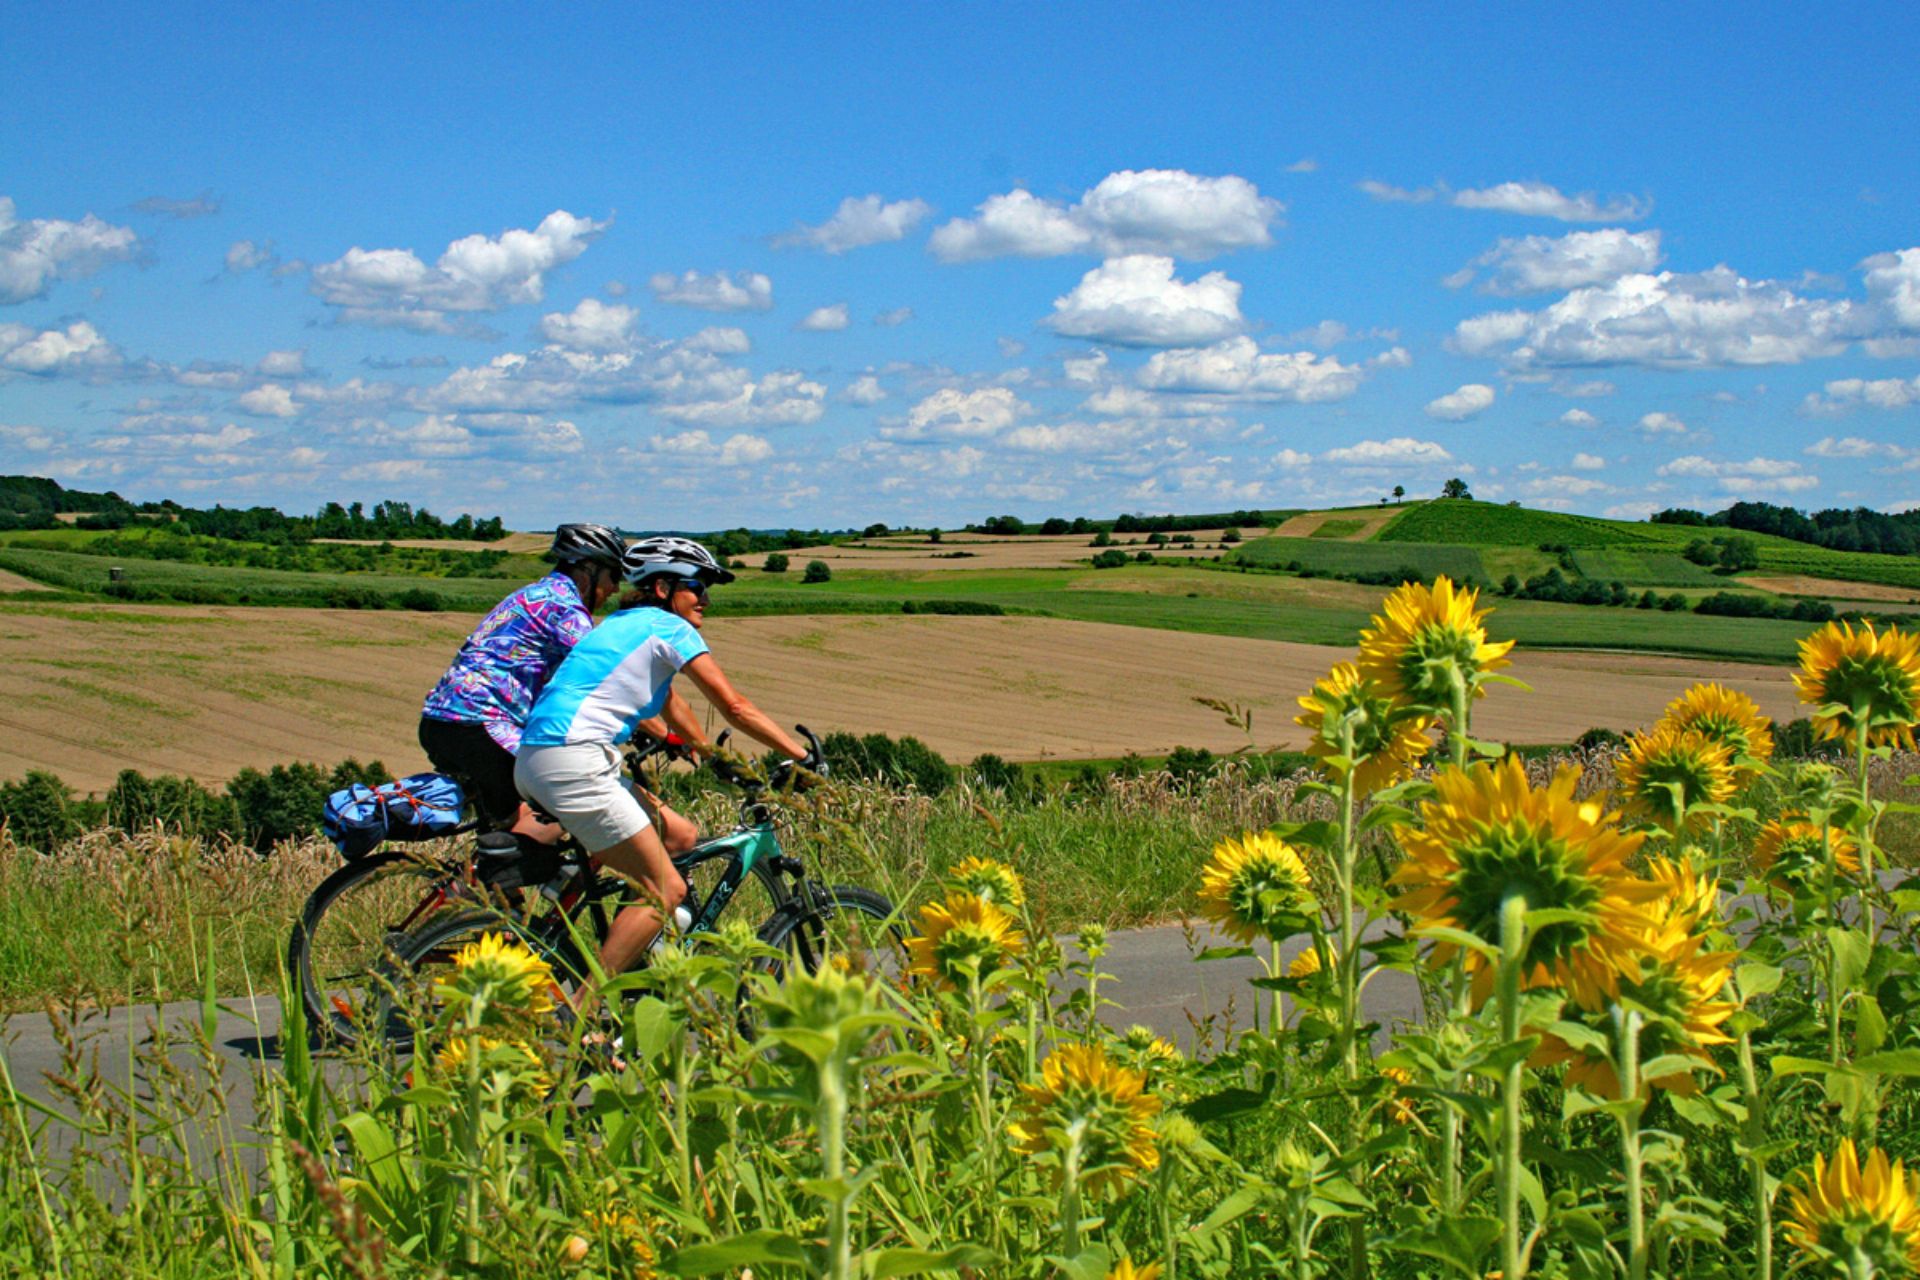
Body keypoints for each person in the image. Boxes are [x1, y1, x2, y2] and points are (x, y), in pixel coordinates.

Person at [516, 535, 817, 975]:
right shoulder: (669, 627)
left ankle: (631, 945)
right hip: (576, 761)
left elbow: (673, 706)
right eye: (697, 587)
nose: (706, 600)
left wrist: (716, 760)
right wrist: (802, 756)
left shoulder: (621, 625)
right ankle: (587, 1013)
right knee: (667, 889)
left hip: (543, 757)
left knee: (679, 837)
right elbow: (733, 706)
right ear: (662, 589)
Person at [418, 522, 702, 853]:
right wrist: (668, 735)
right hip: (482, 726)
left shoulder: (533, 594)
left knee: (526, 828)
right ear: (589, 569)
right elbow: (608, 683)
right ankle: (470, 893)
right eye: (612, 576)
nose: (613, 589)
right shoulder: (566, 610)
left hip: (445, 722)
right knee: (565, 801)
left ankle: (500, 897)